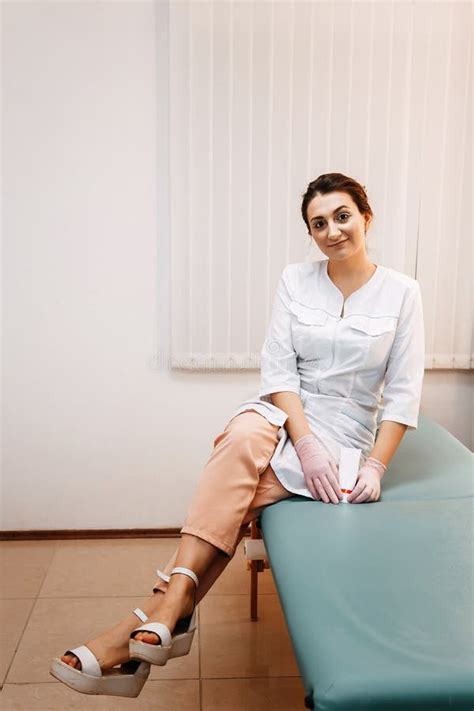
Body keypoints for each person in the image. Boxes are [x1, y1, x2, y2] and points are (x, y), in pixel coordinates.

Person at [50, 172, 425, 696]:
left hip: (344, 430)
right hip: (284, 411)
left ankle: (151, 622)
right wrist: (304, 442)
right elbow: (278, 369)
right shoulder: (296, 280)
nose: (333, 231)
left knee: (236, 494)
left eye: (342, 216)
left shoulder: (403, 293)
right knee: (242, 439)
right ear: (311, 233)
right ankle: (169, 613)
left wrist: (375, 465)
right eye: (319, 223)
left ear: (366, 217)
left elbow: (404, 394)